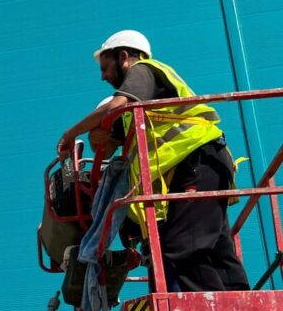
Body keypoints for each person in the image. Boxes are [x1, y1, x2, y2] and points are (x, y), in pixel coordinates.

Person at [55, 30, 248, 293]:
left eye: (105, 67)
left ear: (123, 56)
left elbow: (116, 105)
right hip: (202, 164)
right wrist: (97, 134)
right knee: (216, 249)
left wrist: (71, 133)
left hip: (195, 159)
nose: (103, 76)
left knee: (183, 246)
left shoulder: (143, 70)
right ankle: (245, 310)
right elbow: (107, 147)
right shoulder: (135, 113)